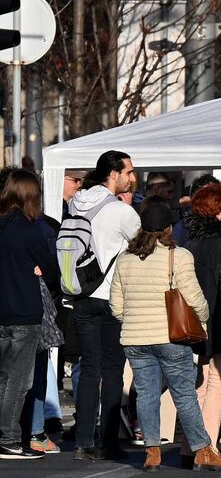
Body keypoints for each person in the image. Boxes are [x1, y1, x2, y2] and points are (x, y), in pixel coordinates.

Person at [108, 201, 221, 471]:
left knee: (146, 395)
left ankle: (152, 452)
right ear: (168, 228)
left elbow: (115, 305)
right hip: (171, 337)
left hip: (135, 339)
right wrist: (203, 317)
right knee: (184, 395)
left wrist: (134, 321)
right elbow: (195, 299)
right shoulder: (178, 256)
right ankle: (203, 451)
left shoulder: (124, 259)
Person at [66, 150, 143, 460]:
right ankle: (108, 442)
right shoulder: (122, 212)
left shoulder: (76, 203)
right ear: (113, 174)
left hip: (81, 293)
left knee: (89, 369)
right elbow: (142, 246)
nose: (132, 178)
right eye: (128, 172)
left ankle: (83, 441)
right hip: (113, 296)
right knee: (112, 370)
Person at [0, 171, 59, 460]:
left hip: (2, 311)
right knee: (20, 380)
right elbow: (51, 268)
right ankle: (10, 438)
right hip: (25, 310)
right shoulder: (30, 228)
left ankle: (4, 434)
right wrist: (39, 269)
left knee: (3, 377)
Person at [178, 182, 221, 456]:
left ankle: (190, 447)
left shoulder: (189, 243)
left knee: (199, 385)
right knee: (217, 384)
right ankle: (208, 447)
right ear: (220, 211)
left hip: (193, 319)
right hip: (219, 318)